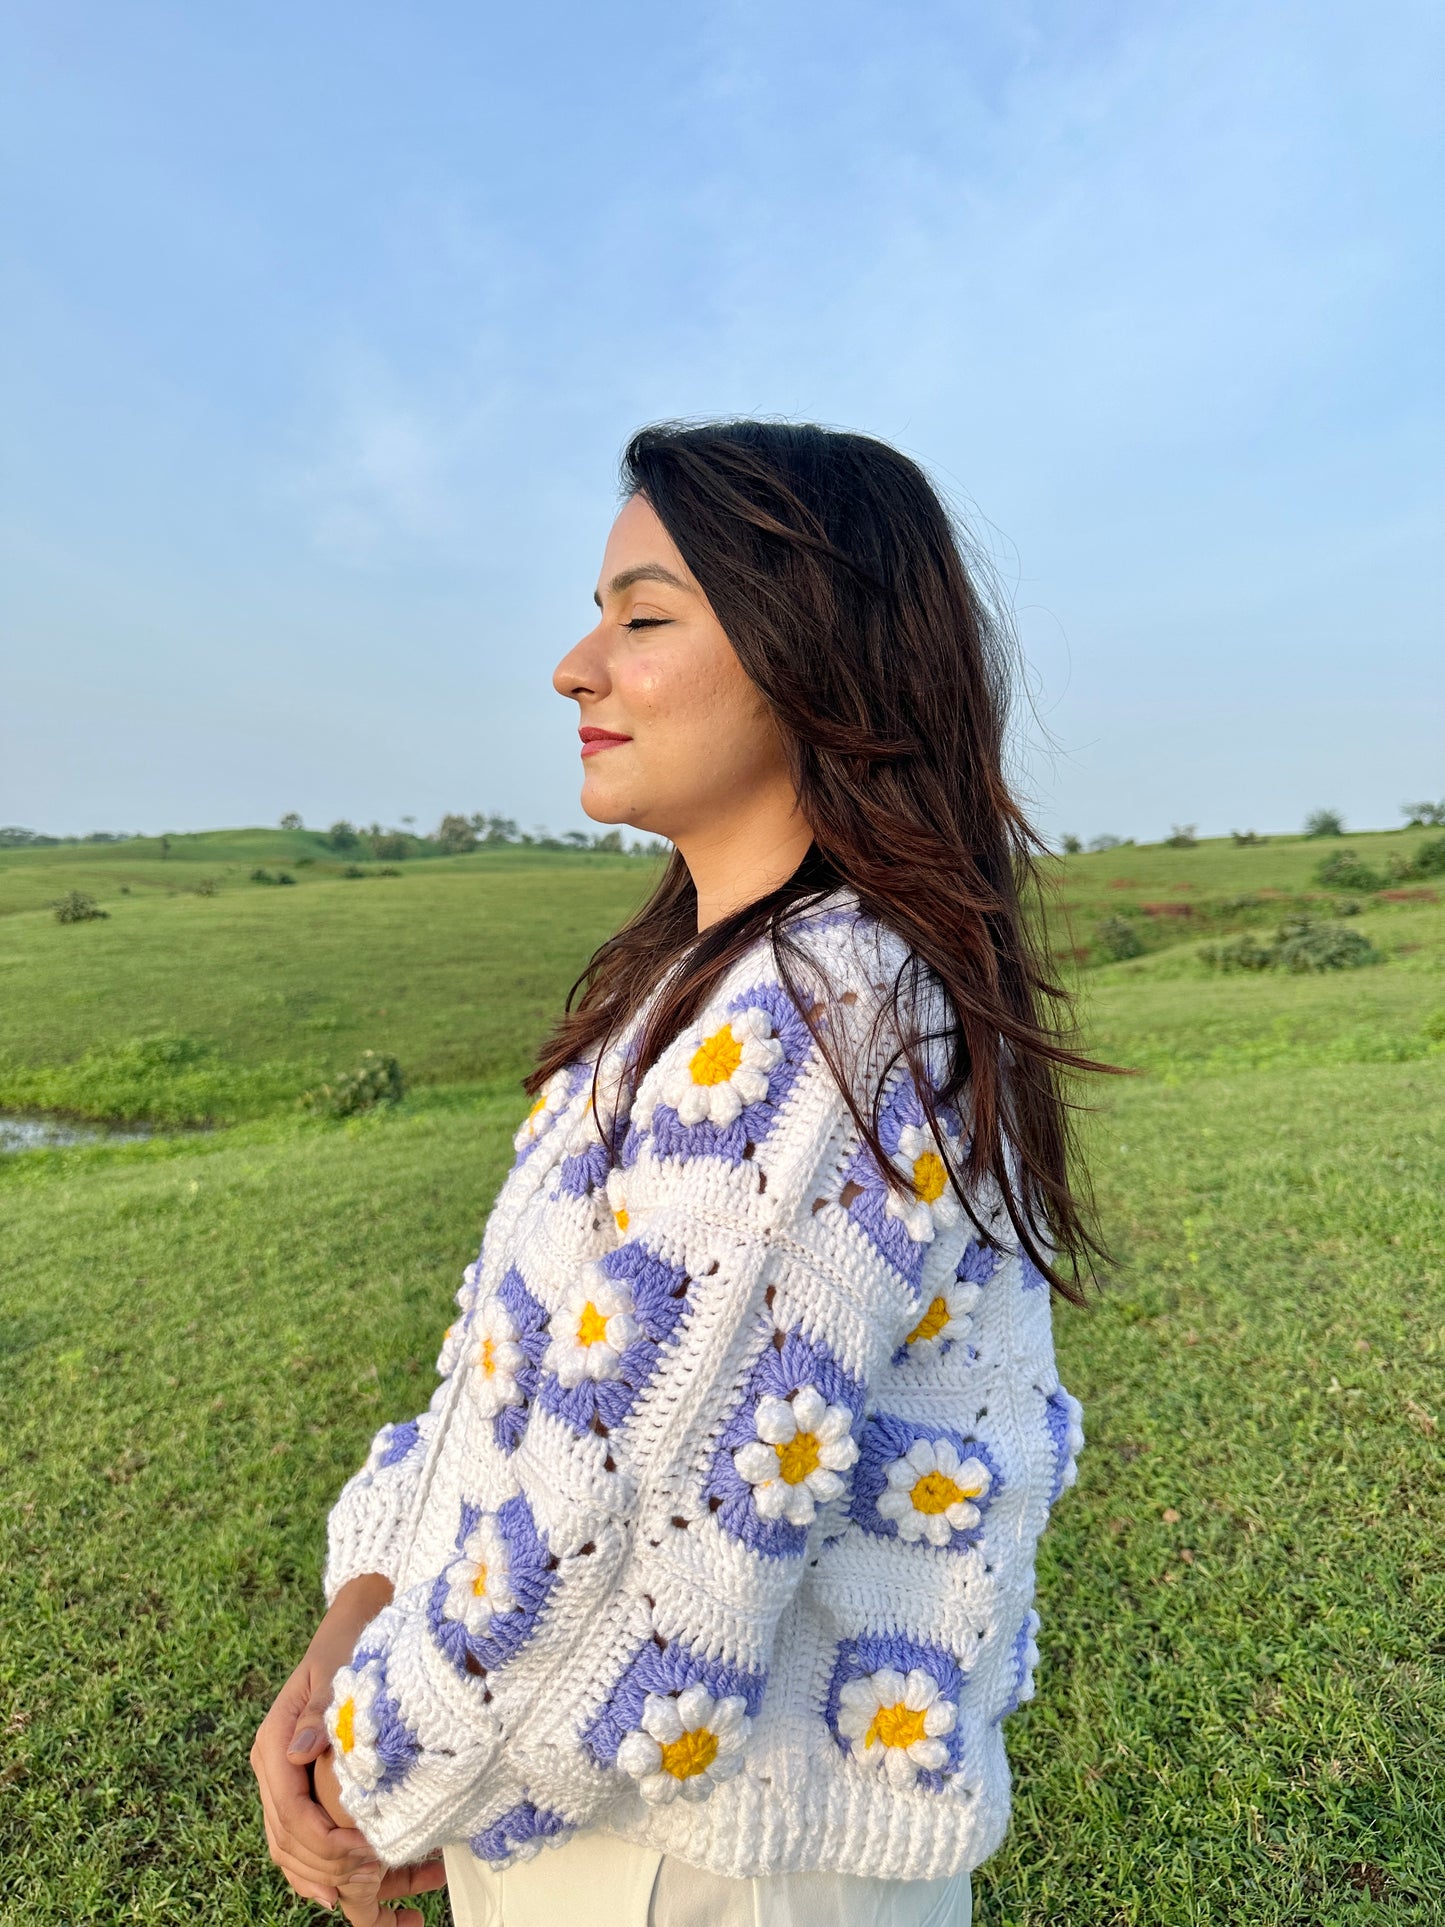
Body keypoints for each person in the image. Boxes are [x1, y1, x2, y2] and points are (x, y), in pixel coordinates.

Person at [251, 419, 1104, 1926]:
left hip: (710, 1866)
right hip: (588, 1826)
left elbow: (630, 1572)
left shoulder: (827, 1019)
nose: (576, 666)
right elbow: (491, 1402)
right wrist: (346, 1642)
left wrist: (370, 1792)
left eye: (643, 617)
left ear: (816, 658)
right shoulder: (688, 1000)